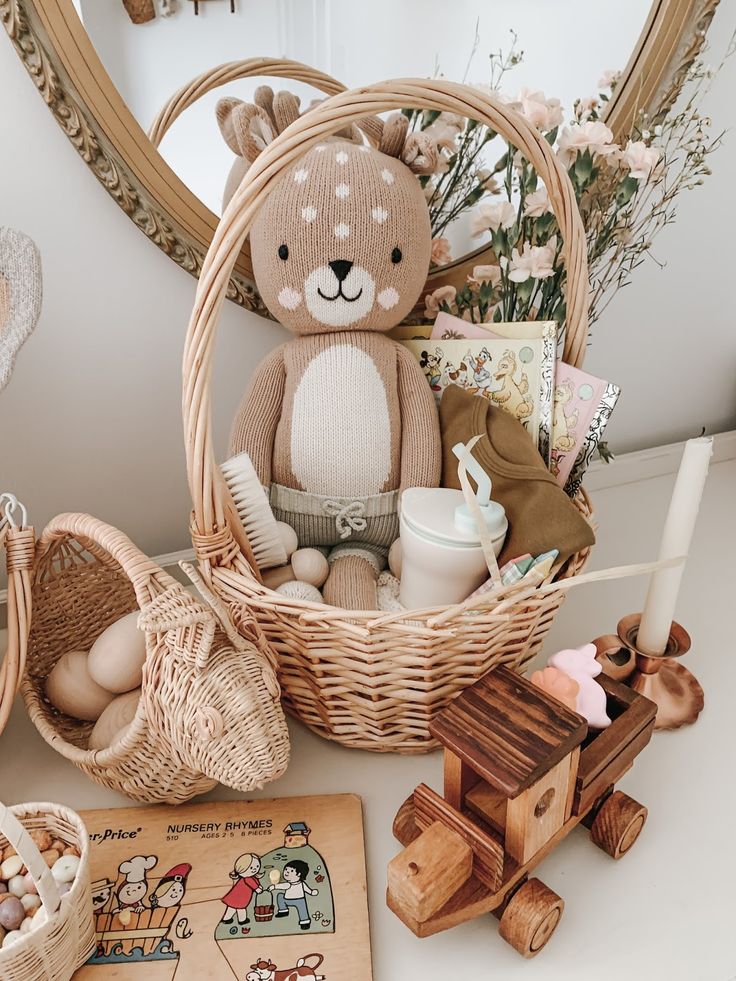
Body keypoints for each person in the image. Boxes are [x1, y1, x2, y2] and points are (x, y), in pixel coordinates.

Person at [269, 860, 318, 931]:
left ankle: (304, 921)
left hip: (299, 901)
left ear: (299, 874)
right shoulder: (290, 884)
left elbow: (307, 889)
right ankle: (283, 911)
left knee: (302, 910)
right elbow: (282, 886)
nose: (287, 872)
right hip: (289, 900)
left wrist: (311, 892)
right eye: (286, 869)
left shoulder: (300, 884)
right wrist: (274, 886)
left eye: (291, 871)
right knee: (280, 896)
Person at [220, 853, 262, 926]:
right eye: (251, 868)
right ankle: (242, 920)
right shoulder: (247, 878)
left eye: (257, 866)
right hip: (240, 897)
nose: (255, 869)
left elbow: (255, 881)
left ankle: (226, 919)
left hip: (236, 896)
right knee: (240, 908)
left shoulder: (251, 877)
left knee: (232, 908)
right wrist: (257, 889)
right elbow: (252, 883)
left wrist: (259, 886)